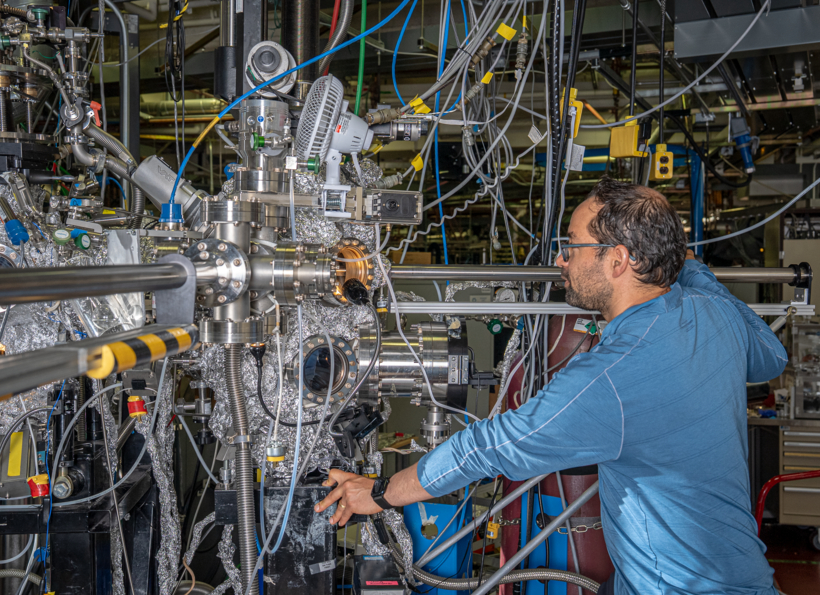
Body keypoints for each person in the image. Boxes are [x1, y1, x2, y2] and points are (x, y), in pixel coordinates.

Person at [314, 177, 787, 595]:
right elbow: (771, 357)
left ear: (619, 259)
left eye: (572, 246)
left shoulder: (612, 376)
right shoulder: (713, 310)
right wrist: (687, 265)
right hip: (739, 575)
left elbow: (490, 446)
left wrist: (378, 494)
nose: (560, 259)